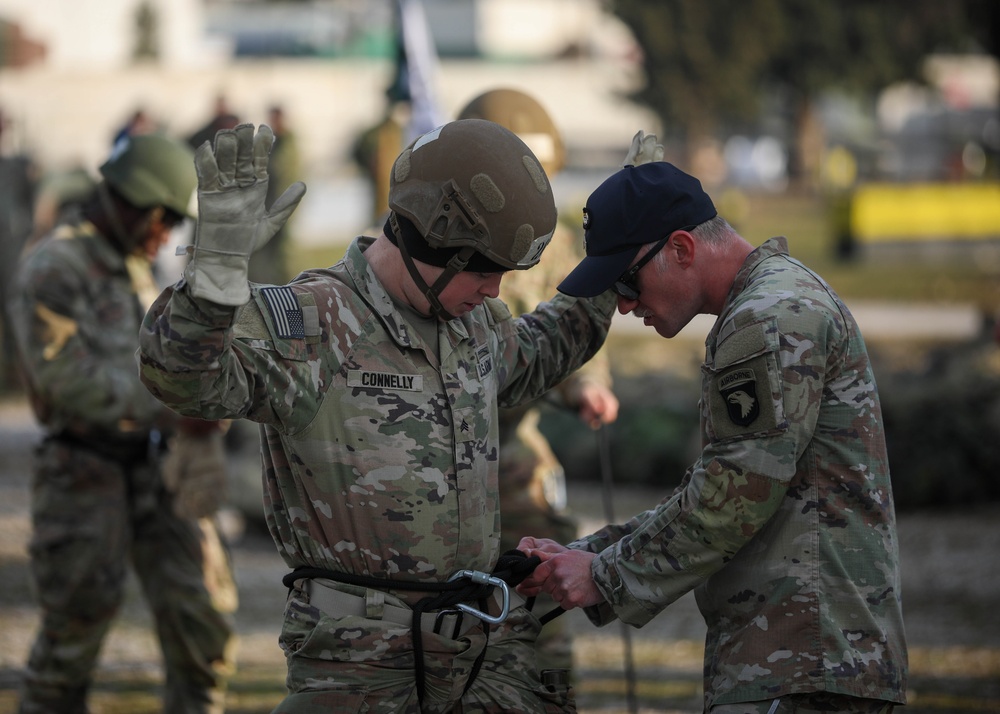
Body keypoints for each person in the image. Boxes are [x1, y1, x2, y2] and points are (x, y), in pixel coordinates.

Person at [136, 119, 616, 713]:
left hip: (477, 658)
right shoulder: (312, 323)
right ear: (435, 244)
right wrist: (212, 279)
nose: (495, 291)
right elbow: (180, 377)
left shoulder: (471, 330)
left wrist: (618, 248)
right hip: (360, 672)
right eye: (484, 269)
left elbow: (548, 344)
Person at [517, 159, 908, 713]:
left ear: (681, 248)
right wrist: (583, 556)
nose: (624, 304)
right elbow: (719, 488)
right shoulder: (763, 307)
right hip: (799, 660)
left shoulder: (769, 318)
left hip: (806, 665)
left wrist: (605, 574)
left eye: (626, 280)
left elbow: (734, 496)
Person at [7, 133, 238, 714]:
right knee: (70, 646)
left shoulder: (134, 260)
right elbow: (66, 385)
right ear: (130, 202)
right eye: (163, 217)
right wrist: (177, 404)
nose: (168, 232)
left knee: (203, 624)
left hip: (159, 470)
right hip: (86, 476)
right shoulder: (56, 266)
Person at [456, 88, 619, 675]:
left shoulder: (549, 245)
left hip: (512, 451)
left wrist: (587, 387)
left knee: (540, 582)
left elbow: (571, 316)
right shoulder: (435, 240)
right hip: (445, 449)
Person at [247, 103, 302, 285]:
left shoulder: (288, 142)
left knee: (283, 250)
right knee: (266, 251)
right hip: (271, 204)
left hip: (284, 204)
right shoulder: (276, 142)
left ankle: (290, 284)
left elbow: (277, 168)